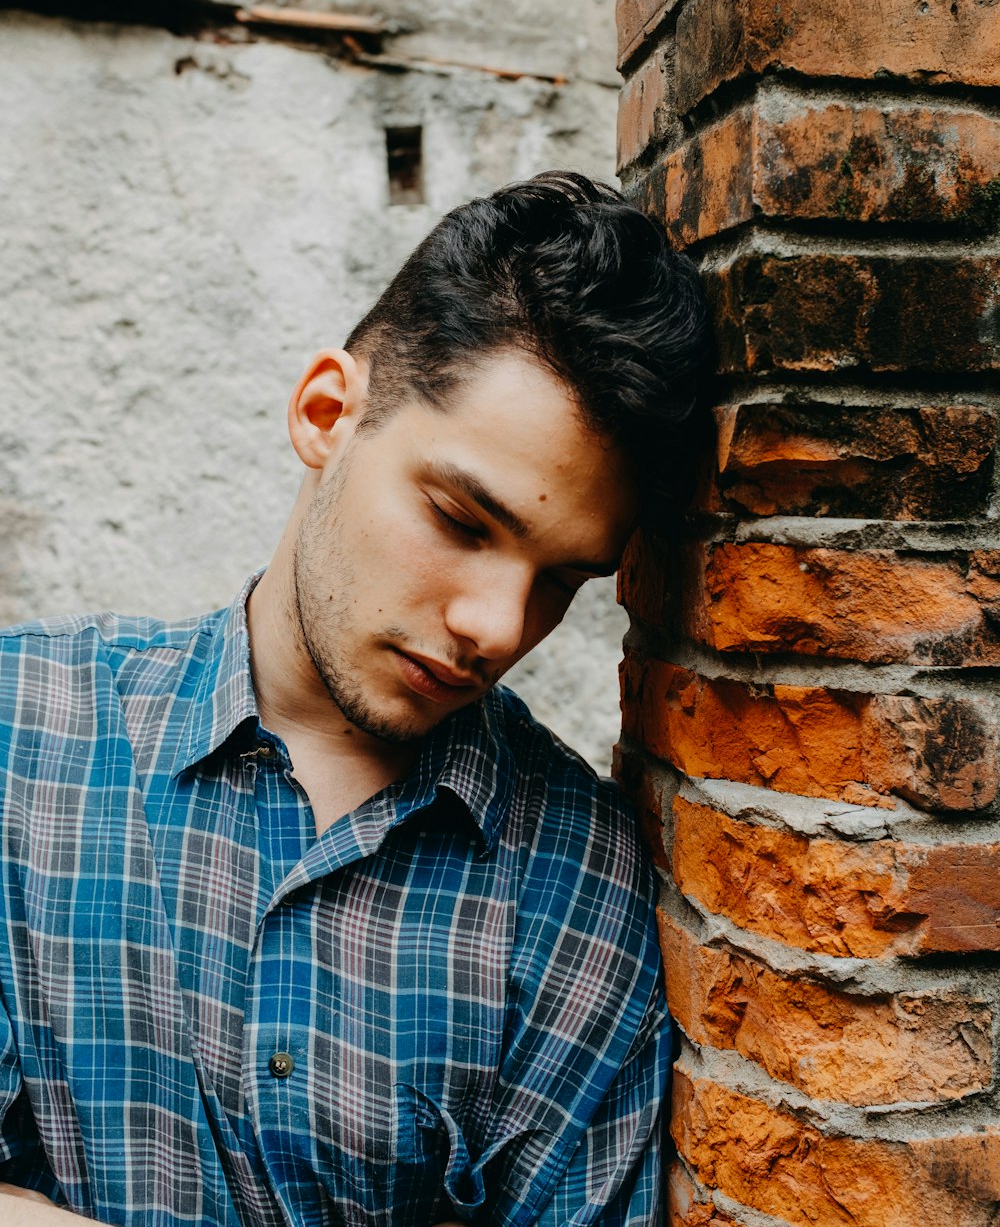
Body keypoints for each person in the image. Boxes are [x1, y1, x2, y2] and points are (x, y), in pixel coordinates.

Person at [0, 172, 709, 1227]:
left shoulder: (576, 892)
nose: (499, 627)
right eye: (464, 521)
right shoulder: (23, 730)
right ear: (328, 413)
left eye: (560, 580)